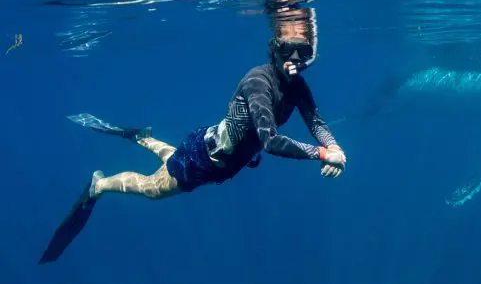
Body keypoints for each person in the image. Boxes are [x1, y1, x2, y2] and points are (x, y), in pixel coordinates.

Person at [38, 33, 346, 264]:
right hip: (205, 161)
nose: (294, 57)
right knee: (152, 188)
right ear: (273, 49)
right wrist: (321, 153)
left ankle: (141, 137)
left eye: (302, 51)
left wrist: (334, 147)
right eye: (286, 49)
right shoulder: (259, 83)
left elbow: (315, 120)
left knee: (172, 159)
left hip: (208, 145)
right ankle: (100, 184)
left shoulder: (297, 86)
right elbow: (270, 140)